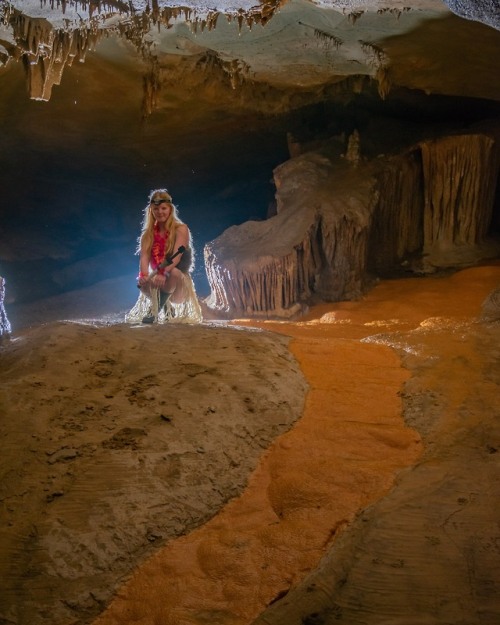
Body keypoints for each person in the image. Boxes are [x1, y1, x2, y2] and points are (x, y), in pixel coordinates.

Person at [125, 189, 202, 324]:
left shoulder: (181, 229)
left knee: (174, 272)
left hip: (176, 281)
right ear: (151, 211)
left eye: (163, 208)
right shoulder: (147, 235)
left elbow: (176, 257)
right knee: (142, 281)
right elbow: (144, 257)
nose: (160, 212)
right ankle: (166, 307)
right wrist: (143, 275)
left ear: (170, 209)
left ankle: (154, 311)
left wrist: (163, 273)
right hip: (158, 277)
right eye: (156, 209)